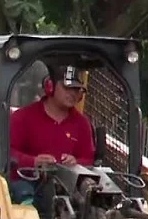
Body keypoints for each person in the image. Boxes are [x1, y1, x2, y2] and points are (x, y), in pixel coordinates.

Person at [7, 64, 95, 205]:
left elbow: (89, 159)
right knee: (24, 194)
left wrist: (76, 163)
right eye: (67, 88)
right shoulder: (22, 118)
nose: (73, 93)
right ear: (50, 86)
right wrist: (34, 162)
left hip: (67, 189)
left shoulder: (82, 123)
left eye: (76, 89)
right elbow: (8, 153)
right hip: (29, 184)